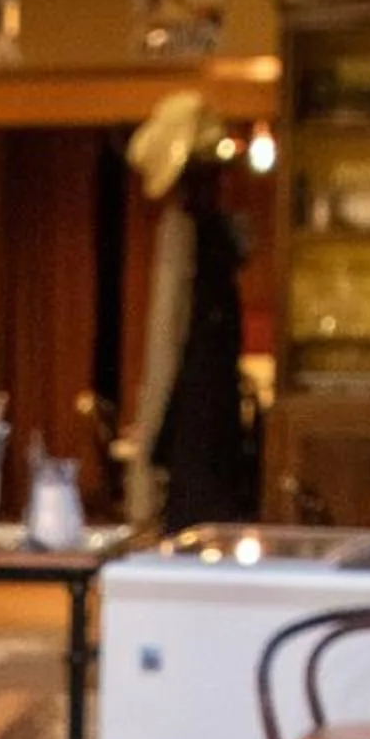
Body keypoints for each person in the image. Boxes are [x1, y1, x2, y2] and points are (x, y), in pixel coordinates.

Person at [123, 89, 253, 536]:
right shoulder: (192, 232)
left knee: (197, 528)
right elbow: (166, 339)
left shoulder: (198, 230)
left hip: (202, 420)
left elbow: (165, 340)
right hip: (203, 419)